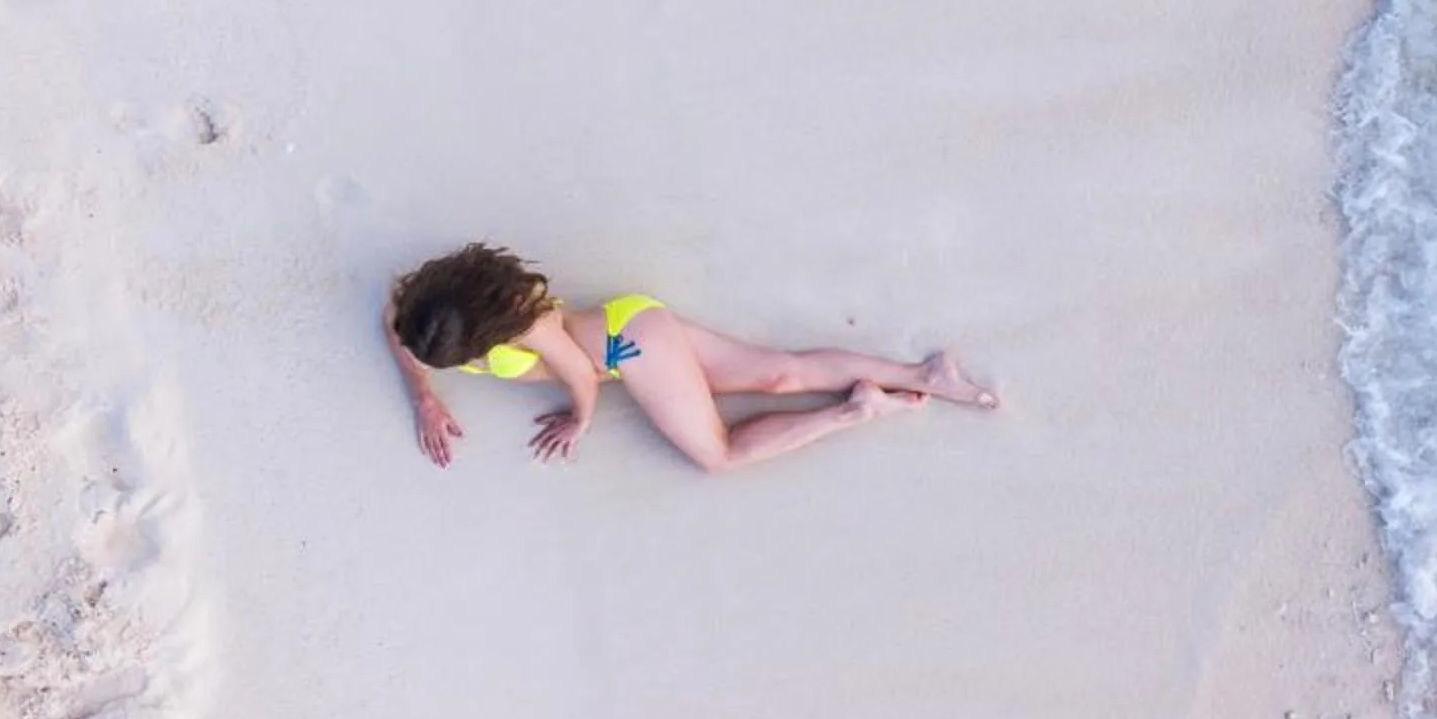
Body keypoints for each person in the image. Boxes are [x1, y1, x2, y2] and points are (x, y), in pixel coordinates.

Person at [382, 243, 997, 470]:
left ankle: (853, 411)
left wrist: (580, 420)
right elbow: (394, 329)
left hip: (628, 351)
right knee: (777, 374)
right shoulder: (420, 308)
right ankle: (926, 375)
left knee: (719, 455)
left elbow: (579, 377)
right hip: (630, 326)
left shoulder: (528, 326)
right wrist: (425, 395)